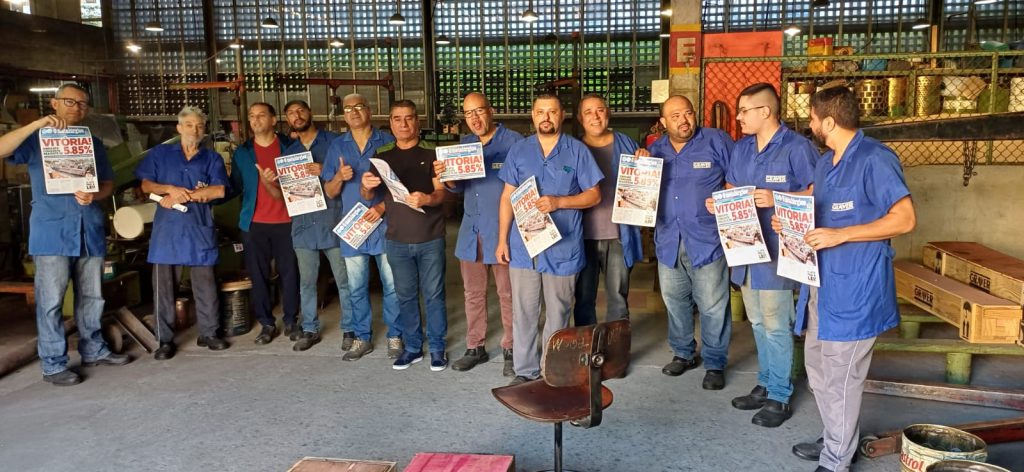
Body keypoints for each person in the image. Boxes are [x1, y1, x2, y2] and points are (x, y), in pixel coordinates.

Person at [786, 86, 915, 472]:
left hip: (856, 289)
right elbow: (820, 213)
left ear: (828, 122)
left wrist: (842, 235)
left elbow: (905, 219)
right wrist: (790, 223)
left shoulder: (875, 159)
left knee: (841, 379)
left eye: (812, 118)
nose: (809, 125)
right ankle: (837, 438)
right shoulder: (826, 163)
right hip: (821, 285)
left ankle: (836, 459)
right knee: (818, 371)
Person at [0, 83, 131, 386]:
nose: (77, 108)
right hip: (52, 232)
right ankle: (53, 364)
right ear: (54, 103)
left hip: (88, 229)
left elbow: (107, 183)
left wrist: (94, 195)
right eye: (70, 102)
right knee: (51, 301)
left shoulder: (92, 143)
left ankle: (94, 349)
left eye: (83, 104)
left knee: (93, 297)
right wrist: (36, 124)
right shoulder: (36, 139)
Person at [704, 83, 818, 427]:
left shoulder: (797, 148)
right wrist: (721, 203)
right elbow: (731, 187)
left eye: (744, 111)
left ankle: (780, 396)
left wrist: (777, 198)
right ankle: (767, 382)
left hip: (779, 252)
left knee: (775, 323)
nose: (738, 117)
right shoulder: (741, 148)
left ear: (765, 111)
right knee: (756, 320)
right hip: (746, 247)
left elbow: (818, 192)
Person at [496, 93, 603, 385]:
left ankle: (551, 371)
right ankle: (525, 371)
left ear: (562, 115)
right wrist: (502, 240)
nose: (546, 117)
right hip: (524, 247)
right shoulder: (519, 151)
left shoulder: (577, 151)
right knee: (524, 312)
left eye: (552, 112)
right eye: (541, 112)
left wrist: (560, 202)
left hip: (563, 247)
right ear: (533, 116)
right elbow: (507, 197)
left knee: (559, 313)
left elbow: (594, 195)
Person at [647, 95, 734, 390]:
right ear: (663, 122)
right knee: (675, 302)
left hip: (707, 239)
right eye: (675, 116)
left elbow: (737, 180)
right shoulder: (655, 150)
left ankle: (715, 362)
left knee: (712, 305)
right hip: (668, 240)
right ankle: (683, 353)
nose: (683, 121)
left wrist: (725, 199)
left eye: (688, 114)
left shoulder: (716, 141)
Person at [434, 92, 522, 375]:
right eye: (468, 113)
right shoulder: (465, 144)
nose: (474, 118)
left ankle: (512, 348)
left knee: (508, 294)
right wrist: (447, 178)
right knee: (472, 293)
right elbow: (458, 187)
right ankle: (475, 346)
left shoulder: (514, 143)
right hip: (471, 232)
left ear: (491, 110)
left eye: (479, 110)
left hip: (504, 232)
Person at [360, 100, 450, 371]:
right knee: (405, 296)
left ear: (417, 122)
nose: (403, 124)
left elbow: (442, 193)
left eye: (409, 118)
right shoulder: (382, 157)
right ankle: (413, 347)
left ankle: (437, 348)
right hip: (397, 239)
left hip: (430, 236)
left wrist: (427, 199)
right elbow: (368, 193)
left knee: (434, 295)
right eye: (397, 119)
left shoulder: (433, 154)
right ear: (390, 123)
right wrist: (365, 186)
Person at [136, 106, 231, 360]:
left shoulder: (211, 159)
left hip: (198, 228)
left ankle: (209, 333)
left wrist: (184, 195)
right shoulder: (161, 154)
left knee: (206, 284)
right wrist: (170, 189)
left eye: (199, 126)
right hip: (167, 232)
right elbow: (146, 185)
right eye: (189, 125)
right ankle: (165, 340)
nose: (194, 130)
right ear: (179, 128)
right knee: (164, 288)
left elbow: (219, 190)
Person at [323, 93, 402, 361]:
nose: (354, 112)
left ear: (369, 110)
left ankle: (395, 335)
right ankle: (362, 337)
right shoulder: (337, 146)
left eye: (359, 106)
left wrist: (381, 207)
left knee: (392, 285)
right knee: (356, 286)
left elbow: (400, 187)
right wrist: (339, 177)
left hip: (385, 224)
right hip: (353, 228)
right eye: (348, 109)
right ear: (343, 115)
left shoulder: (387, 141)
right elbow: (330, 191)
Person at [227, 102, 299, 345]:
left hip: (287, 220)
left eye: (261, 115)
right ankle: (266, 323)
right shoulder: (243, 152)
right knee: (258, 275)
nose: (255, 120)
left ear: (273, 120)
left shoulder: (291, 147)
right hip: (254, 223)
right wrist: (208, 194)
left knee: (290, 273)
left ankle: (291, 319)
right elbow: (234, 186)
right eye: (252, 116)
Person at [281, 99, 349, 352]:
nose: (297, 116)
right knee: (307, 282)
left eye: (301, 110)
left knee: (344, 280)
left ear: (310, 113)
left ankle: (350, 328)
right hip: (304, 225)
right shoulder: (289, 154)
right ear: (287, 120)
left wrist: (324, 170)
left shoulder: (334, 143)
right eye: (291, 113)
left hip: (333, 221)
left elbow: (347, 174)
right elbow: (288, 193)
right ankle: (309, 328)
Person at [572, 93, 643, 327]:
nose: (595, 116)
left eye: (600, 110)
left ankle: (616, 344)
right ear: (580, 118)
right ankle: (586, 343)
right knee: (583, 298)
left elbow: (645, 185)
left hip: (619, 235)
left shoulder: (627, 145)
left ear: (608, 113)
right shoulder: (572, 148)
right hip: (582, 236)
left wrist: (645, 160)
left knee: (618, 297)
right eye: (588, 112)